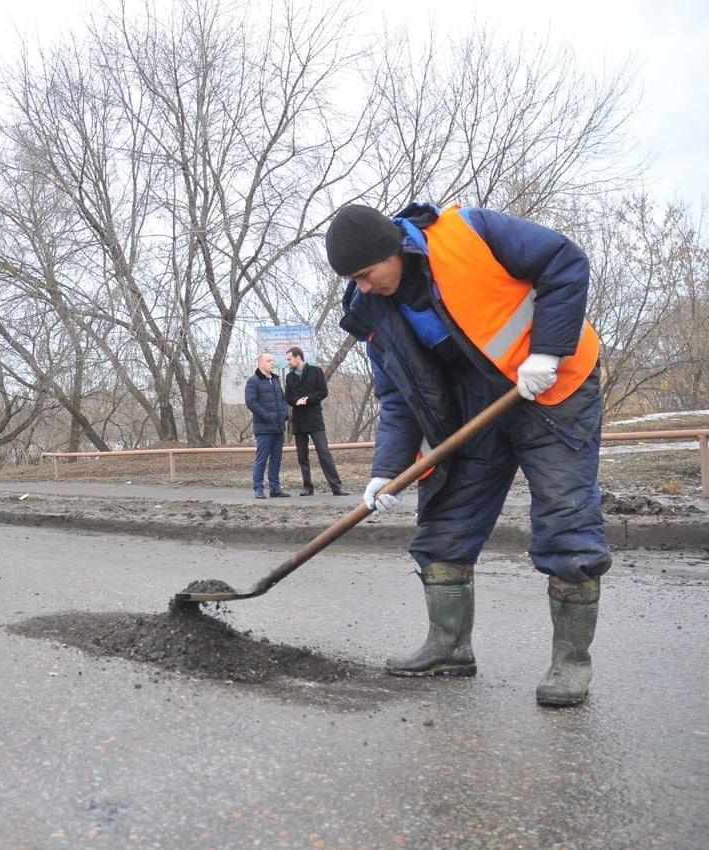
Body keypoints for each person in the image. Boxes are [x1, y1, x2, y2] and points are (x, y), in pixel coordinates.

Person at [328, 201, 609, 707]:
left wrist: (547, 350)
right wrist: (386, 472)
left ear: (394, 249)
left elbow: (566, 261)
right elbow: (398, 396)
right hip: (475, 411)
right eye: (354, 279)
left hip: (553, 391)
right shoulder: (373, 311)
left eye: (367, 274)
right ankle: (449, 647)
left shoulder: (468, 231)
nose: (363, 286)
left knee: (567, 523)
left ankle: (571, 664)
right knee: (444, 526)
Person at [283, 347, 349, 496]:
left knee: (324, 453)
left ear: (298, 357)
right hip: (299, 421)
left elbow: (323, 392)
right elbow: (288, 397)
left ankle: (336, 487)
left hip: (314, 419)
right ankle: (307, 487)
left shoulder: (316, 372)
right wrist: (296, 401)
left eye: (289, 359)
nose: (288, 362)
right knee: (302, 456)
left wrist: (308, 399)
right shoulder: (289, 377)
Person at [244, 352, 290, 499]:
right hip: (264, 428)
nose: (272, 363)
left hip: (278, 426)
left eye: (272, 360)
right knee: (262, 458)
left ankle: (275, 488)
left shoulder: (276, 380)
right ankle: (258, 488)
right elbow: (251, 402)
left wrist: (285, 415)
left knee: (276, 458)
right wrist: (268, 417)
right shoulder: (253, 381)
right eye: (269, 360)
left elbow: (282, 400)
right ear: (261, 363)